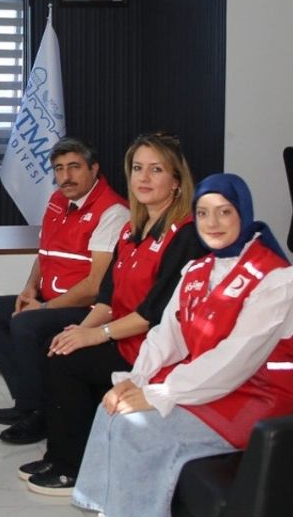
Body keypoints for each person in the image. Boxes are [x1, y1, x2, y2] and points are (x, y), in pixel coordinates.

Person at [67, 173, 293, 517]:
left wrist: (160, 393)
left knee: (141, 431)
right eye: (203, 213)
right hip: (204, 386)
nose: (212, 223)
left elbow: (236, 359)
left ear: (244, 213)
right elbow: (168, 334)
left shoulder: (278, 279)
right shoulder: (198, 269)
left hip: (251, 399)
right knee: (113, 407)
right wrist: (136, 380)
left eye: (224, 212)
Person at [20, 133, 207, 495]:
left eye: (156, 170)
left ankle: (71, 467)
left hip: (153, 349)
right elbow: (106, 300)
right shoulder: (132, 229)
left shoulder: (185, 236)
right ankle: (59, 454)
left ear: (176, 181)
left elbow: (152, 314)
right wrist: (78, 331)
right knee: (58, 346)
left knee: (69, 363)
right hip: (124, 335)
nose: (144, 178)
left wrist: (96, 335)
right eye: (137, 168)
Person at [0, 137, 129, 445]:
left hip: (88, 310)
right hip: (51, 298)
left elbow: (95, 287)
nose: (65, 177)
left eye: (74, 167)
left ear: (94, 169)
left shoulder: (113, 211)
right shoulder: (57, 201)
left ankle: (42, 415)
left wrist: (44, 309)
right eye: (58, 169)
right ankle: (27, 402)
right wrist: (29, 289)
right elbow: (44, 253)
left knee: (25, 324)